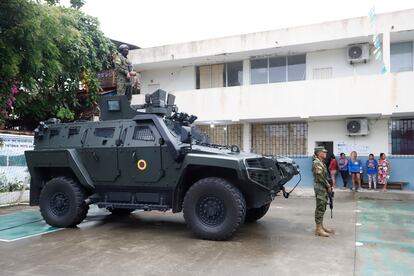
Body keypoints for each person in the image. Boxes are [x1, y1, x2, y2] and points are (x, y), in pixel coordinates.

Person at [312, 146, 334, 237]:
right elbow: (320, 177)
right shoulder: (317, 163)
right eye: (323, 152)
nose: (325, 153)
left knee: (323, 206)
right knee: (320, 207)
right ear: (319, 153)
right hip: (320, 187)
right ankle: (318, 229)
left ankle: (321, 226)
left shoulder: (321, 162)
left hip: (323, 186)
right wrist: (328, 186)